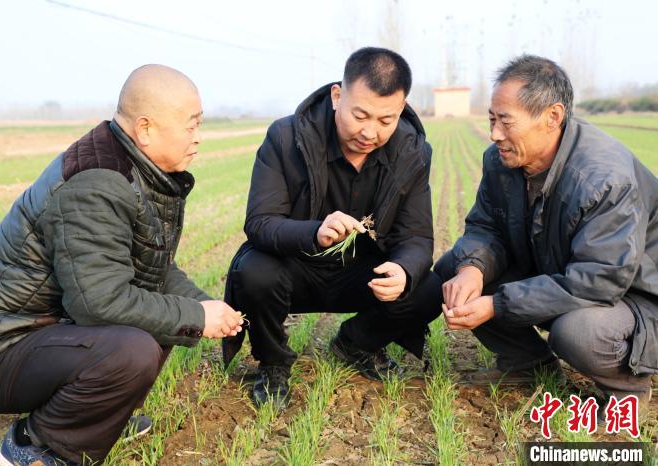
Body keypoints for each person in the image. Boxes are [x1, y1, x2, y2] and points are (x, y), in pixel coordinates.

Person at [0, 64, 244, 465]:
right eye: (191, 125)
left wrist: (208, 306)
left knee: (161, 316)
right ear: (145, 129)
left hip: (41, 333)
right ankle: (36, 445)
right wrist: (196, 314)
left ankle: (98, 415)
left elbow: (154, 272)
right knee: (133, 348)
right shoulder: (96, 184)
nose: (198, 136)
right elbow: (96, 302)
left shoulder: (132, 169)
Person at [222, 47, 441, 408]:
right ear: (338, 96)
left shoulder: (412, 151)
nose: (370, 132)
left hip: (361, 274)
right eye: (360, 115)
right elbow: (260, 222)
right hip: (295, 268)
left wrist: (402, 270)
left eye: (386, 120)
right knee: (254, 271)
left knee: (427, 287)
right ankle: (273, 363)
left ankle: (355, 343)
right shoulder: (285, 136)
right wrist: (314, 232)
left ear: (400, 110)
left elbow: (416, 236)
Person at [436, 54, 657, 408]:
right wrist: (471, 269)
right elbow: (485, 226)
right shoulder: (502, 160)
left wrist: (497, 305)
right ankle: (528, 363)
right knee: (454, 269)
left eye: (506, 122)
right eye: (492, 119)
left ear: (552, 116)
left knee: (578, 334)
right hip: (564, 270)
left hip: (637, 298)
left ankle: (628, 389)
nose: (495, 134)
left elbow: (598, 281)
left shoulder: (603, 179)